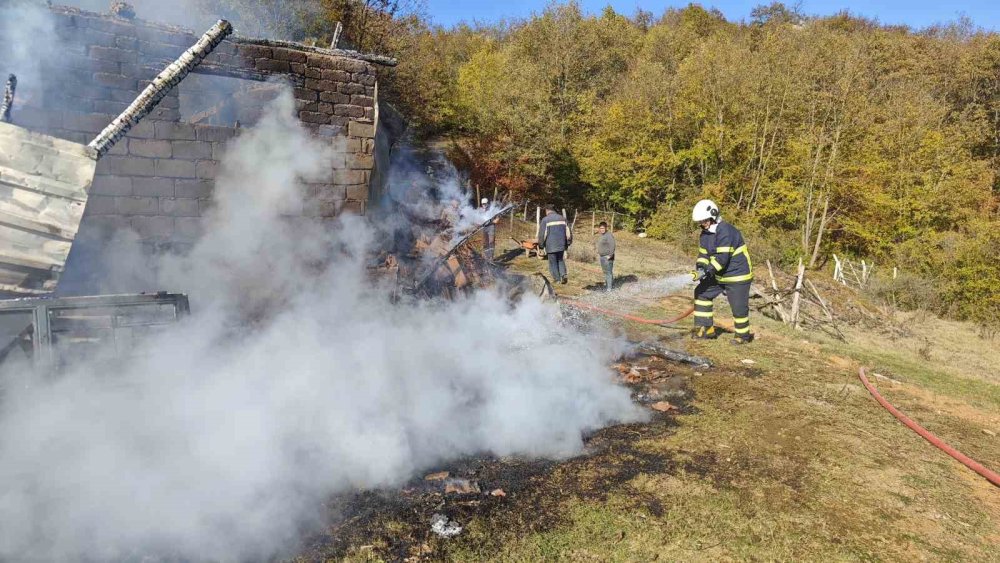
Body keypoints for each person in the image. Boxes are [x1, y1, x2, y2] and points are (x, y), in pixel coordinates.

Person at [690, 199, 754, 344]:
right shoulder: (705, 234)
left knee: (738, 307)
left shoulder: (726, 231)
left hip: (737, 275)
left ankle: (742, 337)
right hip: (719, 274)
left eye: (704, 220)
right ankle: (707, 329)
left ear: (713, 216)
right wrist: (700, 268)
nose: (702, 224)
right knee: (702, 293)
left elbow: (722, 258)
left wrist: (707, 271)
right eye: (700, 222)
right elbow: (703, 254)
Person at [537, 204, 571, 284]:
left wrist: (541, 245)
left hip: (550, 245)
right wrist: (568, 243)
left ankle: (557, 279)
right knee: (560, 260)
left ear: (547, 211)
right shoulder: (563, 218)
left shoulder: (545, 220)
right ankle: (563, 275)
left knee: (553, 262)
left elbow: (542, 234)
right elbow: (568, 233)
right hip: (561, 244)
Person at [595, 221, 615, 292]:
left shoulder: (609, 235)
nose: (602, 229)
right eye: (600, 228)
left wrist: (610, 256)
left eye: (603, 228)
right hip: (602, 257)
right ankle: (608, 284)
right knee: (605, 271)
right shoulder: (602, 235)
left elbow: (612, 246)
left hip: (607, 257)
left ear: (606, 228)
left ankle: (609, 288)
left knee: (609, 272)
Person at [480, 197, 499, 262]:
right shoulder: (480, 210)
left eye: (485, 204)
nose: (484, 205)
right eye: (483, 204)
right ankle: (485, 257)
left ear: (487, 203)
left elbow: (497, 219)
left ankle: (491, 258)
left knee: (491, 242)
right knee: (485, 243)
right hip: (484, 227)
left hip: (491, 227)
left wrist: (492, 221)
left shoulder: (492, 210)